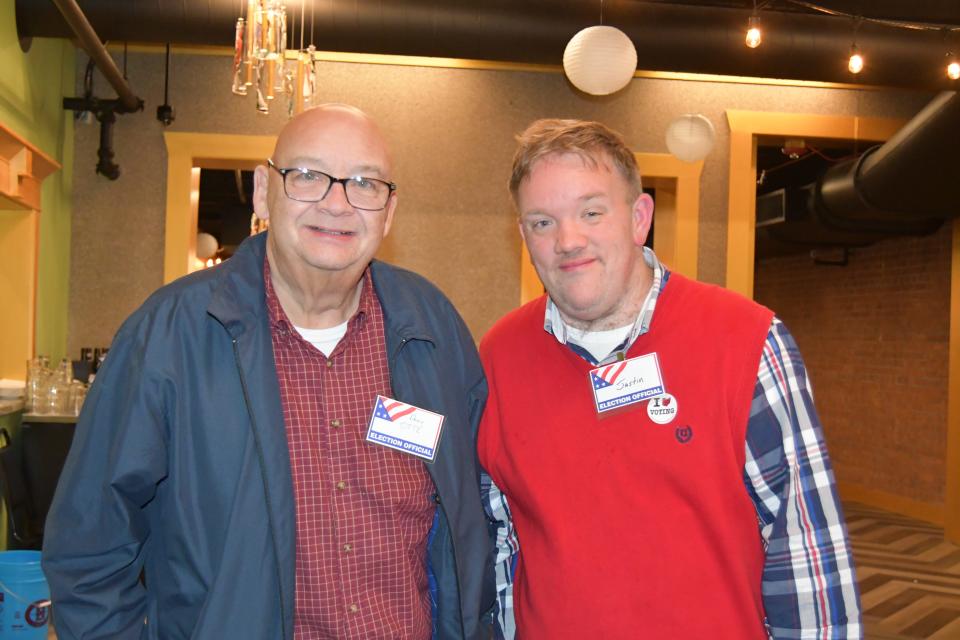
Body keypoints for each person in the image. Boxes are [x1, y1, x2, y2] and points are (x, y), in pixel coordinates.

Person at [43, 104, 511, 640]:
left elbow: (477, 518)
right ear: (264, 191)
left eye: (364, 183)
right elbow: (89, 548)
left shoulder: (432, 329)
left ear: (389, 209)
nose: (337, 203)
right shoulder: (170, 336)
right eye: (308, 176)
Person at [477, 118, 861, 639]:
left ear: (639, 218)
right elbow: (501, 542)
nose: (568, 240)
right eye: (543, 222)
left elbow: (805, 552)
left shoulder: (747, 340)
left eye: (592, 212)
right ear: (523, 236)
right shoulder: (499, 357)